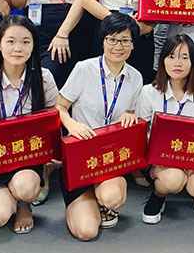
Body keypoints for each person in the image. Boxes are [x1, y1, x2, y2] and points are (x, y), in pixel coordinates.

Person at [0, 15, 59, 234]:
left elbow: (54, 119)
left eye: (26, 42)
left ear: (33, 45)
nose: (18, 48)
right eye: (10, 41)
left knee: (26, 187)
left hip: (27, 159)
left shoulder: (44, 78)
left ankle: (24, 205)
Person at [56, 13, 145, 240]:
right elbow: (60, 106)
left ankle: (101, 200)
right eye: (112, 39)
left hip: (110, 157)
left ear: (133, 45)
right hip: (80, 155)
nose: (118, 46)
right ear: (103, 41)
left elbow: (133, 115)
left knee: (113, 196)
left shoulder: (136, 78)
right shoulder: (84, 69)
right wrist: (71, 124)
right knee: (86, 231)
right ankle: (85, 201)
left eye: (124, 40)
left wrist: (130, 114)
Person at [135, 34, 194, 224]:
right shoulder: (148, 92)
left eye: (184, 57)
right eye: (171, 56)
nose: (177, 63)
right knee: (173, 179)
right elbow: (141, 133)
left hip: (192, 158)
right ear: (162, 60)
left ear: (193, 62)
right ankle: (158, 195)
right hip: (160, 159)